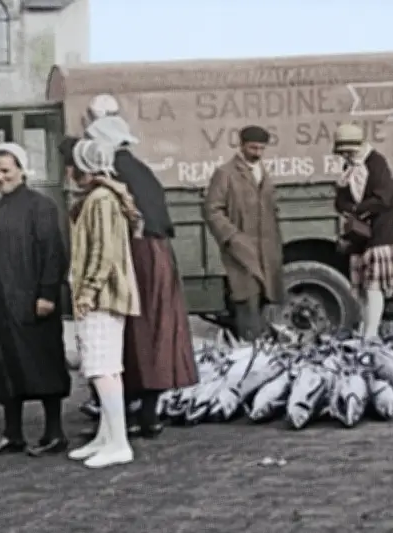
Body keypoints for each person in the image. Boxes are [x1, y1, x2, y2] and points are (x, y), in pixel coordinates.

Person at [86, 116, 198, 438]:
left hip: (136, 255)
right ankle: (148, 412)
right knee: (155, 330)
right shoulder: (142, 170)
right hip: (157, 254)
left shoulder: (114, 174)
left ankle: (127, 413)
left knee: (132, 331)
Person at [0, 143, 70, 458]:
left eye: (5, 170)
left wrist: (47, 293)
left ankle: (54, 432)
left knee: (44, 364)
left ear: (21, 170)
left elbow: (53, 253)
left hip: (32, 303)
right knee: (4, 366)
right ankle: (12, 433)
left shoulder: (41, 207)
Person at [67, 139, 142, 469]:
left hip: (103, 296)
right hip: (107, 294)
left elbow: (103, 250)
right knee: (108, 367)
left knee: (101, 370)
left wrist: (88, 291)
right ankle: (106, 436)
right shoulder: (105, 197)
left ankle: (119, 442)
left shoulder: (100, 200)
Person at [203, 125, 284, 341]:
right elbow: (212, 210)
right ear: (241, 145)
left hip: (266, 249)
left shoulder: (263, 172)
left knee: (266, 299)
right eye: (253, 148)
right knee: (246, 298)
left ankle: (263, 348)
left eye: (261, 149)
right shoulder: (225, 173)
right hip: (240, 249)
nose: (257, 153)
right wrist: (231, 237)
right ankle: (249, 349)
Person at [333, 124, 393, 340]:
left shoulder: (376, 163)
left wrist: (355, 209)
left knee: (373, 286)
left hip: (382, 231)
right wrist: (351, 207)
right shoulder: (349, 167)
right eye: (342, 152)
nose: (345, 156)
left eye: (348, 151)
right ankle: (365, 328)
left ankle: (371, 333)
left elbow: (384, 199)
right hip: (361, 235)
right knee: (361, 286)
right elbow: (340, 201)